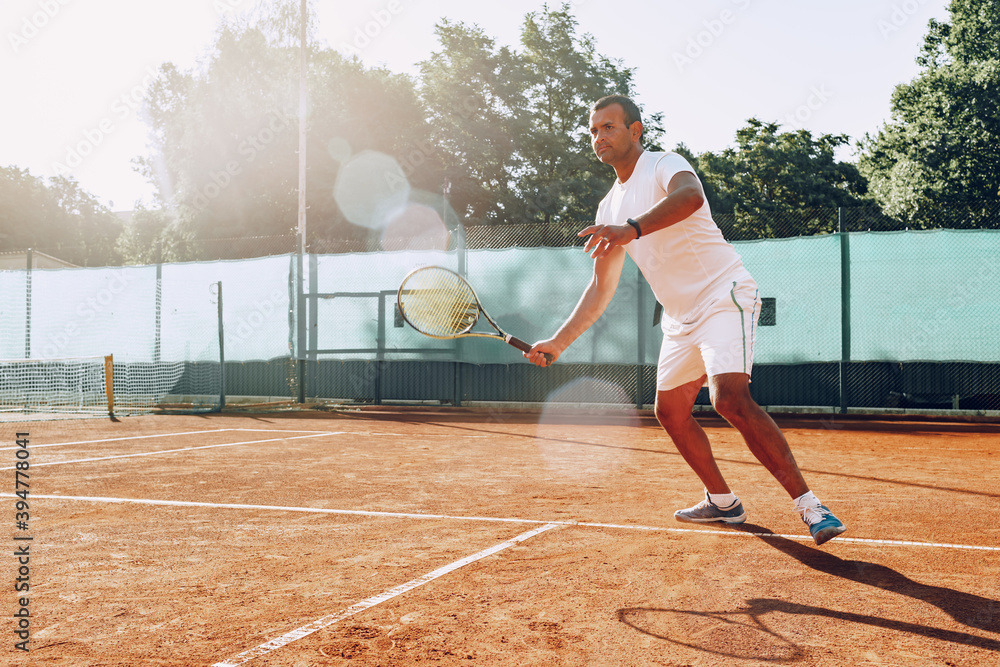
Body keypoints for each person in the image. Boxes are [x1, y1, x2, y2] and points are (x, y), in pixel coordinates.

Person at [525, 94, 846, 546]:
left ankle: (810, 507)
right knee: (670, 411)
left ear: (635, 130)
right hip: (679, 316)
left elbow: (690, 197)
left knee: (729, 398)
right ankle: (722, 502)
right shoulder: (606, 209)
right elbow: (600, 288)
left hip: (723, 293)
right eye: (594, 130)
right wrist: (558, 342)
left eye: (609, 127)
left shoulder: (664, 164)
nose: (599, 137)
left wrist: (632, 229)